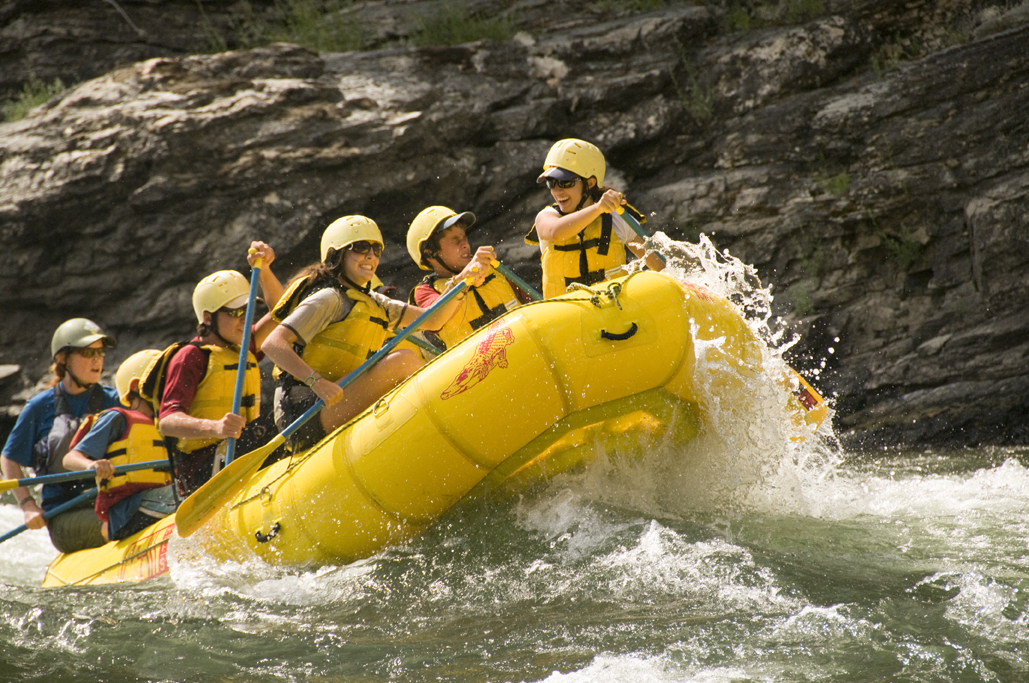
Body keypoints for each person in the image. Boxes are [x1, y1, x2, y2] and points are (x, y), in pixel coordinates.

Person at [263, 215, 485, 452]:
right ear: (337, 255)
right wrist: (316, 382)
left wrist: (463, 281)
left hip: (337, 396)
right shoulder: (328, 299)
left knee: (402, 361)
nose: (371, 256)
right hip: (303, 412)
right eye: (360, 247)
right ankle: (452, 418)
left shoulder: (376, 303)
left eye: (376, 249)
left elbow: (432, 319)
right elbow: (273, 343)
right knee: (403, 361)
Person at [151, 242, 284, 498]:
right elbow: (167, 421)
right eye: (236, 312)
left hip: (240, 447)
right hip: (204, 467)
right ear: (208, 318)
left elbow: (281, 312)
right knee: (275, 422)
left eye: (249, 310)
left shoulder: (242, 346)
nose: (245, 319)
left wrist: (265, 269)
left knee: (286, 414)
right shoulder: (191, 356)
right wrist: (217, 428)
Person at [1, 318, 120, 553]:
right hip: (65, 512)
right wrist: (27, 505)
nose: (97, 360)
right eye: (88, 353)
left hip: (111, 502)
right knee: (120, 522)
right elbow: (9, 458)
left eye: (100, 352)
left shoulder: (114, 400)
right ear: (64, 359)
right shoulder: (39, 406)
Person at [526, 138, 663, 299]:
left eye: (565, 183)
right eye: (551, 183)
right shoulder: (546, 216)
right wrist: (598, 208)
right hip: (565, 311)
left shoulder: (617, 218)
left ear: (590, 183)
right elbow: (555, 232)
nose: (557, 191)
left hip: (613, 308)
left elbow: (660, 267)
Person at [63, 350, 174, 542]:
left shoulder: (168, 426)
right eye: (163, 381)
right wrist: (92, 465)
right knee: (185, 494)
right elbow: (70, 459)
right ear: (136, 387)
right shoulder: (116, 419)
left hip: (155, 503)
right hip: (126, 512)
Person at [406, 206, 532, 350]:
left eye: (464, 237)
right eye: (455, 240)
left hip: (523, 345)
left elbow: (531, 303)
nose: (465, 244)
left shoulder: (491, 267)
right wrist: (463, 280)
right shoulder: (424, 292)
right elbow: (435, 318)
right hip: (478, 361)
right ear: (430, 254)